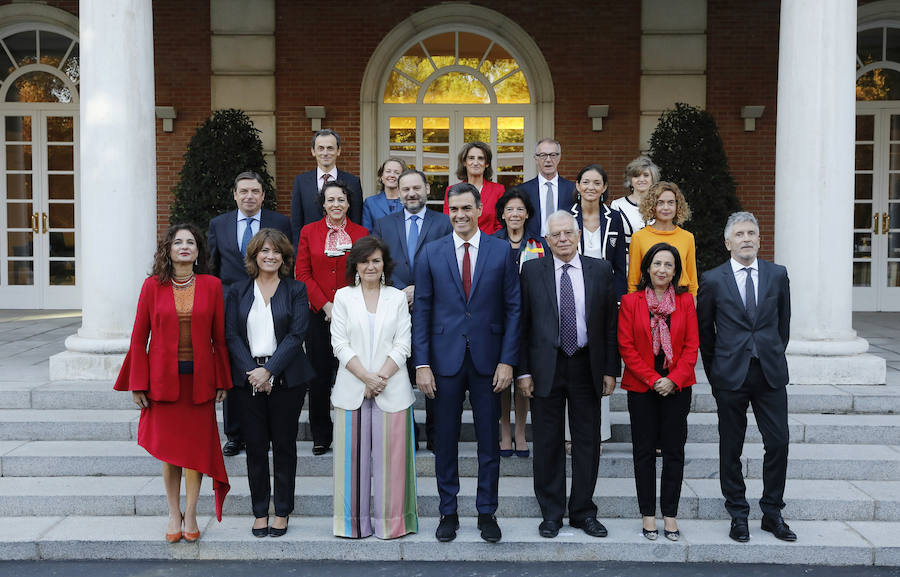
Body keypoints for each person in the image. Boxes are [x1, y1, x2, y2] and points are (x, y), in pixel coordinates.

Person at [414, 182, 520, 543]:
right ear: (448, 212)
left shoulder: (501, 251)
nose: (460, 215)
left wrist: (508, 361)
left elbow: (513, 309)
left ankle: (487, 512)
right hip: (443, 362)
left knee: (489, 441)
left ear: (479, 210)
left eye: (466, 208)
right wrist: (421, 363)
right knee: (445, 441)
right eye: (453, 209)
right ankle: (449, 512)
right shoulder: (430, 253)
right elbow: (423, 311)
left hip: (489, 362)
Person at [113, 223, 231, 543]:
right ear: (168, 249)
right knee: (169, 453)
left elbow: (219, 340)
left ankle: (190, 513)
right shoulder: (152, 286)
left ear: (197, 251)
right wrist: (137, 383)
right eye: (177, 242)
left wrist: (222, 379)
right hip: (163, 382)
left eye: (190, 242)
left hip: (199, 382)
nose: (184, 246)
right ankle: (172, 512)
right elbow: (139, 339)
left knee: (194, 453)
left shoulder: (212, 286)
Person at [517, 211, 618, 540]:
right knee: (547, 443)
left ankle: (583, 511)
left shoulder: (600, 269)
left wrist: (610, 369)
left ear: (578, 235)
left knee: (588, 442)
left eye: (567, 233)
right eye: (555, 234)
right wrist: (524, 371)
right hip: (547, 365)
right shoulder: (532, 271)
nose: (562, 239)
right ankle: (551, 513)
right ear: (546, 240)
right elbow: (523, 324)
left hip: (587, 364)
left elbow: (609, 325)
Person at [698, 211, 795, 543]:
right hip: (730, 375)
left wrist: (771, 352)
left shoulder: (777, 274)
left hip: (769, 373)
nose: (746, 238)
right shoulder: (712, 280)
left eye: (751, 232)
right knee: (731, 447)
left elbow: (783, 325)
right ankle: (738, 514)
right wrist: (715, 373)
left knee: (779, 442)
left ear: (759, 238)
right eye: (739, 234)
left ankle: (772, 513)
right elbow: (705, 335)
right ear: (728, 242)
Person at [225, 228, 314, 538]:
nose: (270, 256)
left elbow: (296, 334)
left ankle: (283, 510)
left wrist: (269, 371)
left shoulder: (296, 290)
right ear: (254, 255)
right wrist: (253, 371)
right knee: (256, 447)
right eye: (264, 250)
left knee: (285, 446)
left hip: (286, 379)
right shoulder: (237, 290)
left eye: (276, 251)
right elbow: (232, 336)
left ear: (284, 257)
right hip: (248, 378)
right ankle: (260, 510)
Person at [330, 236, 418, 539]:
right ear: (355, 264)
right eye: (365, 260)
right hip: (351, 388)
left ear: (384, 265)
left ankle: (392, 524)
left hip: (391, 388)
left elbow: (403, 343)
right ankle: (351, 524)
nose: (371, 266)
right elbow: (339, 343)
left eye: (376, 261)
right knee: (351, 464)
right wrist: (365, 377)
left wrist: (378, 377)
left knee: (392, 464)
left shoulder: (396, 298)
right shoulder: (343, 297)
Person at [208, 171, 293, 457]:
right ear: (235, 194)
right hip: (233, 304)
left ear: (263, 195)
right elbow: (212, 267)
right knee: (236, 363)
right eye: (243, 191)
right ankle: (234, 434)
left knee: (270, 354)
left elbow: (285, 261)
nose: (249, 196)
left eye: (255, 191)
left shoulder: (280, 223)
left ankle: (269, 427)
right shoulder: (218, 224)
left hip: (271, 301)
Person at [618, 242, 698, 542]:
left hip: (677, 386)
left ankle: (671, 515)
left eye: (668, 265)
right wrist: (653, 379)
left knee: (675, 452)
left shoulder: (686, 302)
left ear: (676, 271)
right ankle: (648, 515)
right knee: (644, 452)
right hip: (642, 386)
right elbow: (626, 346)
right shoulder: (630, 301)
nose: (662, 270)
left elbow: (692, 346)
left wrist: (673, 379)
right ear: (647, 268)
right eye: (657, 264)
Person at [371, 169, 452, 451]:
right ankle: (406, 435)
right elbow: (377, 263)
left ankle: (435, 434)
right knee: (399, 374)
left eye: (416, 188)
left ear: (428, 189)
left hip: (435, 310)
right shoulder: (383, 224)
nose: (411, 193)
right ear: (398, 192)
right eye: (406, 189)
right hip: (395, 308)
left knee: (434, 373)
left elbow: (450, 263)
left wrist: (420, 288)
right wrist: (397, 292)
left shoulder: (444, 223)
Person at [295, 180, 369, 455]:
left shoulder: (362, 233)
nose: (336, 204)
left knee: (354, 372)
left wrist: (346, 306)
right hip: (319, 315)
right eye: (330, 200)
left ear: (349, 204)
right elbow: (302, 273)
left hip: (354, 315)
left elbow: (366, 271)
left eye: (341, 200)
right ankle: (321, 434)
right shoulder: (308, 232)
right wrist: (326, 305)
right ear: (323, 204)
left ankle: (355, 429)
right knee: (319, 376)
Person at [569, 163, 628, 453]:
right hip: (572, 296)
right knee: (572, 364)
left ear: (604, 188)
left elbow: (620, 265)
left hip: (605, 299)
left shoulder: (614, 218)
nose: (591, 187)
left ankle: (599, 433)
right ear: (578, 186)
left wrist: (618, 300)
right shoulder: (567, 217)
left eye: (597, 183)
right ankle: (571, 435)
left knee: (600, 363)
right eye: (586, 182)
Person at [493, 188, 547, 458]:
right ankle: (504, 430)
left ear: (527, 214)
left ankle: (521, 432)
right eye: (510, 209)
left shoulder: (540, 244)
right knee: (503, 376)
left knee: (524, 374)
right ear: (502, 214)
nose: (515, 214)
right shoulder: (491, 242)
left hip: (532, 319)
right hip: (499, 318)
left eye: (520, 209)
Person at [291, 129, 364, 245]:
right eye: (321, 148)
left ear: (338, 151)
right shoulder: (301, 182)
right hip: (311, 247)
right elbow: (296, 223)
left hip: (344, 249)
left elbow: (356, 220)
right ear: (313, 151)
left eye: (330, 148)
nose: (325, 153)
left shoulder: (353, 182)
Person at [626, 182, 698, 298]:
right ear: (652, 206)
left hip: (680, 299)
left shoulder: (687, 237)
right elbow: (633, 282)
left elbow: (692, 281)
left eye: (670, 203)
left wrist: (693, 304)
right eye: (660, 202)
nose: (666, 207)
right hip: (647, 299)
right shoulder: (639, 237)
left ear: (677, 206)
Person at [518, 138, 576, 238]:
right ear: (536, 159)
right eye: (543, 155)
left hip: (564, 243)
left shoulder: (573, 189)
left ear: (559, 157)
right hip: (534, 246)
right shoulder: (523, 191)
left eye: (553, 155)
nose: (548, 159)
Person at [441, 142, 504, 234]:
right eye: (471, 158)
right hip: (460, 245)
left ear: (487, 163)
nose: (475, 162)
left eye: (480, 158)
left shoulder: (498, 190)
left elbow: (500, 224)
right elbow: (448, 223)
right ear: (464, 162)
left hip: (489, 244)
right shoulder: (451, 190)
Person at [610, 156, 660, 258]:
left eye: (646, 175)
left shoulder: (661, 204)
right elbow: (614, 239)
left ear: (653, 179)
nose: (641, 179)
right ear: (630, 180)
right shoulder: (617, 205)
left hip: (657, 262)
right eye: (636, 176)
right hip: (627, 263)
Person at [362, 157, 408, 230]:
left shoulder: (409, 201)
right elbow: (367, 232)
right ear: (381, 177)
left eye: (397, 172)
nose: (392, 175)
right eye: (388, 171)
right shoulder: (370, 203)